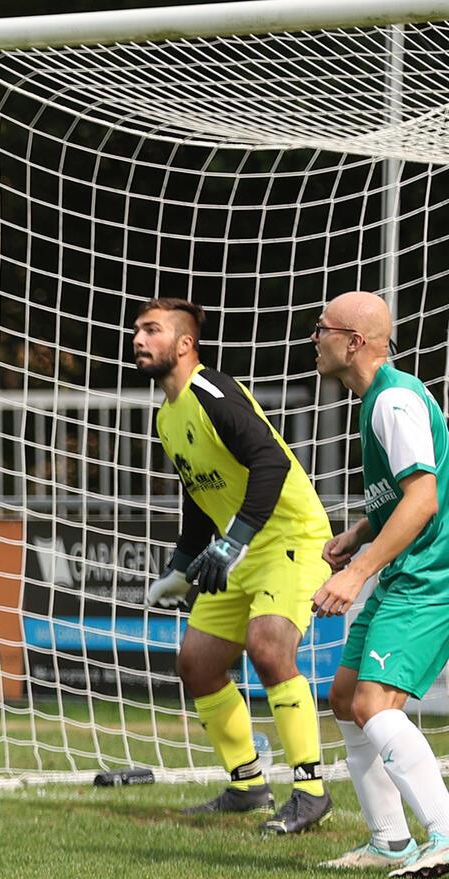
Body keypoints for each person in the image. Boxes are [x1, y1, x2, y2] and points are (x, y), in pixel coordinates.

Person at [136, 298, 334, 834]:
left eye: (151, 330)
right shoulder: (166, 416)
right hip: (239, 546)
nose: (138, 339)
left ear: (184, 344)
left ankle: (311, 791)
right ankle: (247, 784)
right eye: (136, 330)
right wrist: (182, 566)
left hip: (289, 537)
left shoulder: (211, 392)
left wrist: (235, 542)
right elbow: (200, 496)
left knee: (268, 648)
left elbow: (269, 460)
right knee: (197, 663)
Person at [307, 291, 449, 877]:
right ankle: (391, 841)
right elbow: (401, 494)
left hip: (429, 577)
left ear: (354, 342)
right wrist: (360, 535)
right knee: (344, 696)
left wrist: (357, 572)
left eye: (322, 329)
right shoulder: (377, 400)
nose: (314, 338)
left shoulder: (392, 401)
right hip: (401, 570)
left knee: (372, 703)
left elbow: (424, 496)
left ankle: (445, 833)